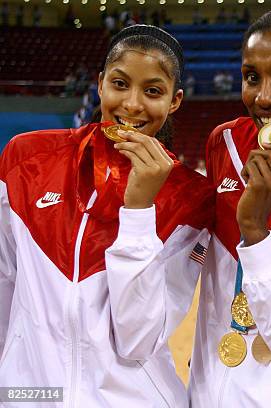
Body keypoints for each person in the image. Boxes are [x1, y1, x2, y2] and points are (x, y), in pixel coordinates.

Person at [106, 7, 271, 407]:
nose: (264, 97)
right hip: (215, 392)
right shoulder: (223, 143)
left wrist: (255, 231)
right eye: (252, 77)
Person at [0, 25, 213, 407]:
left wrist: (138, 213)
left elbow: (138, 340)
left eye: (152, 91)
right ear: (100, 84)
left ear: (175, 100)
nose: (132, 104)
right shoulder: (26, 159)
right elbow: (4, 284)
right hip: (32, 394)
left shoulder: (191, 198)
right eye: (120, 84)